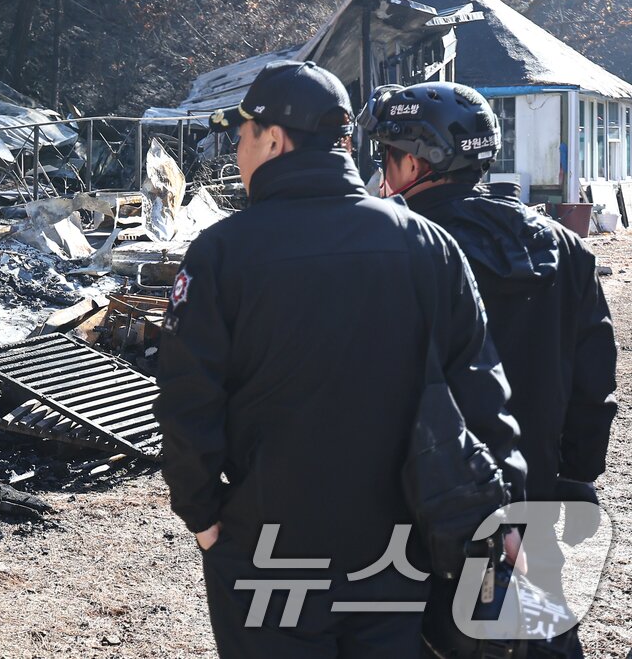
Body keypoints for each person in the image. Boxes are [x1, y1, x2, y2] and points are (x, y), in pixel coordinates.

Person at [154, 60, 525, 659]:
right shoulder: (426, 244)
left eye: (243, 136)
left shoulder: (223, 252)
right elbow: (480, 387)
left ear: (274, 139)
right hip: (397, 542)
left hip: (266, 543)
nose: (238, 153)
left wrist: (201, 514)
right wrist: (499, 508)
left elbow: (186, 396)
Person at [361, 81, 618, 657]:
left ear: (412, 162)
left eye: (387, 156)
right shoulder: (565, 247)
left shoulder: (398, 248)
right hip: (533, 499)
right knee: (538, 634)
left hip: (417, 507)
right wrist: (571, 475)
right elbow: (594, 382)